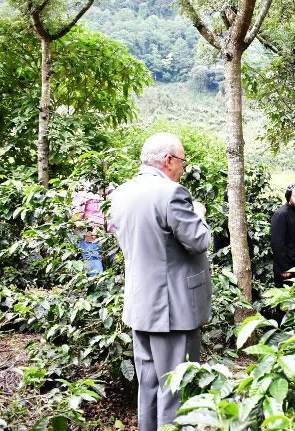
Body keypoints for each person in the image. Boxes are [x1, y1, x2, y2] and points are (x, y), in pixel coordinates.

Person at [110, 132, 211, 431]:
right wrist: (199, 213)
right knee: (175, 388)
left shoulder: (122, 193)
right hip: (174, 310)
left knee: (149, 386)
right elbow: (198, 241)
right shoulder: (172, 193)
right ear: (168, 160)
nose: (182, 168)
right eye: (182, 161)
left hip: (140, 306)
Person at [270, 183, 295, 288]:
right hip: (288, 270)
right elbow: (278, 244)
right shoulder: (281, 214)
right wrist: (284, 268)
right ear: (289, 197)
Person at [71, 186, 105, 276]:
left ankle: (95, 284)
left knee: (93, 263)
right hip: (102, 234)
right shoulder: (102, 195)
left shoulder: (82, 194)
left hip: (88, 236)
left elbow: (77, 216)